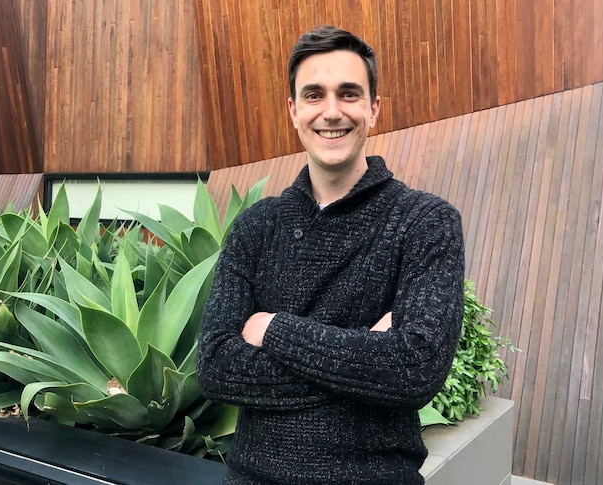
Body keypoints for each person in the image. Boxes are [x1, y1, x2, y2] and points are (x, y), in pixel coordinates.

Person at [197, 25, 465, 484]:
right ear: (294, 110)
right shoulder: (257, 226)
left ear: (373, 109)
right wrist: (366, 353)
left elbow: (415, 369)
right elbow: (217, 368)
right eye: (315, 95)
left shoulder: (425, 222)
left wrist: (273, 328)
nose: (332, 112)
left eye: (349, 94)